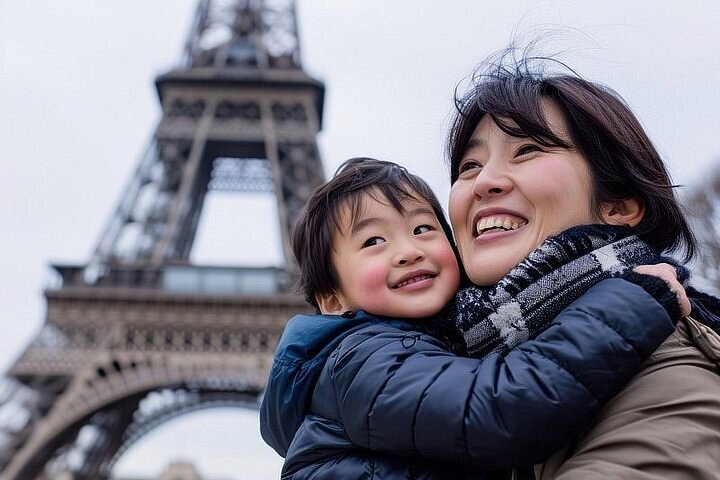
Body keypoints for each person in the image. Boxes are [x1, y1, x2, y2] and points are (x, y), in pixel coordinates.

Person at [260, 157, 688, 479]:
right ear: (332, 300)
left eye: (424, 229)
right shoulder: (362, 362)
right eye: (373, 240)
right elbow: (501, 407)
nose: (409, 250)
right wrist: (630, 304)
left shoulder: (453, 340)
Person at [445, 50, 720, 478]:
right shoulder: (456, 375)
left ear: (618, 205)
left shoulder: (668, 363)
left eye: (527, 150)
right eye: (469, 166)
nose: (483, 182)